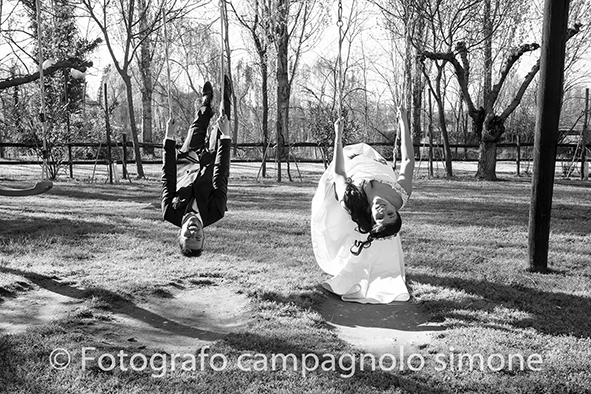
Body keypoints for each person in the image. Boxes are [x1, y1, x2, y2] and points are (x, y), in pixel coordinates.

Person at [311, 106, 414, 303]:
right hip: (378, 163)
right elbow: (408, 160)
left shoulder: (352, 201)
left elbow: (339, 173)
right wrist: (403, 121)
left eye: (380, 216)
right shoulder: (401, 196)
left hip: (351, 164)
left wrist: (338, 137)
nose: (383, 210)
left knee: (336, 195)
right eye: (391, 213)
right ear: (396, 210)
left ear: (372, 217)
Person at [161, 77, 232, 256]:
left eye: (188, 236)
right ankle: (226, 98)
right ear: (204, 236)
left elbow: (168, 177)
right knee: (222, 125)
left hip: (187, 160)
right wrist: (226, 138)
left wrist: (169, 138)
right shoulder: (216, 212)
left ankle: (206, 104)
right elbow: (220, 175)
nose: (193, 232)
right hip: (212, 163)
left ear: (179, 233)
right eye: (197, 238)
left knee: (197, 127)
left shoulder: (170, 212)